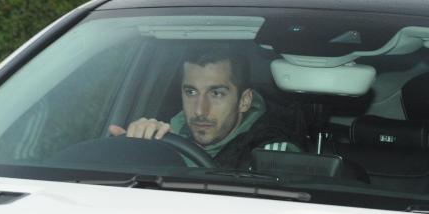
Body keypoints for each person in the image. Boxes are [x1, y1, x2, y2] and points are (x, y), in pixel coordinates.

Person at [109, 49, 300, 169]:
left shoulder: (273, 156)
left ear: (244, 101)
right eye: (191, 92)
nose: (200, 110)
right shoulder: (161, 139)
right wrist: (133, 150)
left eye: (216, 93)